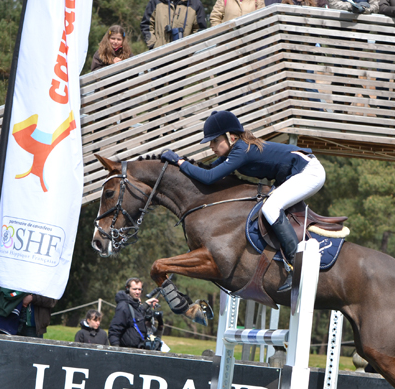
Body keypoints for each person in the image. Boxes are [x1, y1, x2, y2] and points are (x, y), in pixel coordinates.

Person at [161, 110, 326, 292]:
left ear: (231, 137)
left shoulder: (241, 150)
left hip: (309, 172)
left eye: (215, 140)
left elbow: (209, 178)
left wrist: (180, 163)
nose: (211, 146)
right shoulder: (234, 152)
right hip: (295, 174)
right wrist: (181, 163)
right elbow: (207, 170)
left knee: (271, 208)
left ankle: (297, 267)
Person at [108, 278, 160, 348]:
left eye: (139, 289)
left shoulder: (134, 304)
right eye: (134, 289)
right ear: (127, 289)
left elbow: (135, 316)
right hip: (127, 350)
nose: (137, 292)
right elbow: (114, 330)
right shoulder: (123, 306)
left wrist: (146, 305)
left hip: (138, 349)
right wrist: (116, 349)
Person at [141, 0, 207, 50]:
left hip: (185, 57)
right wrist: (153, 46)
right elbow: (146, 25)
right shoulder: (155, 2)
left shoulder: (195, 4)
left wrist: (190, 48)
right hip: (160, 55)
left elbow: (200, 30)